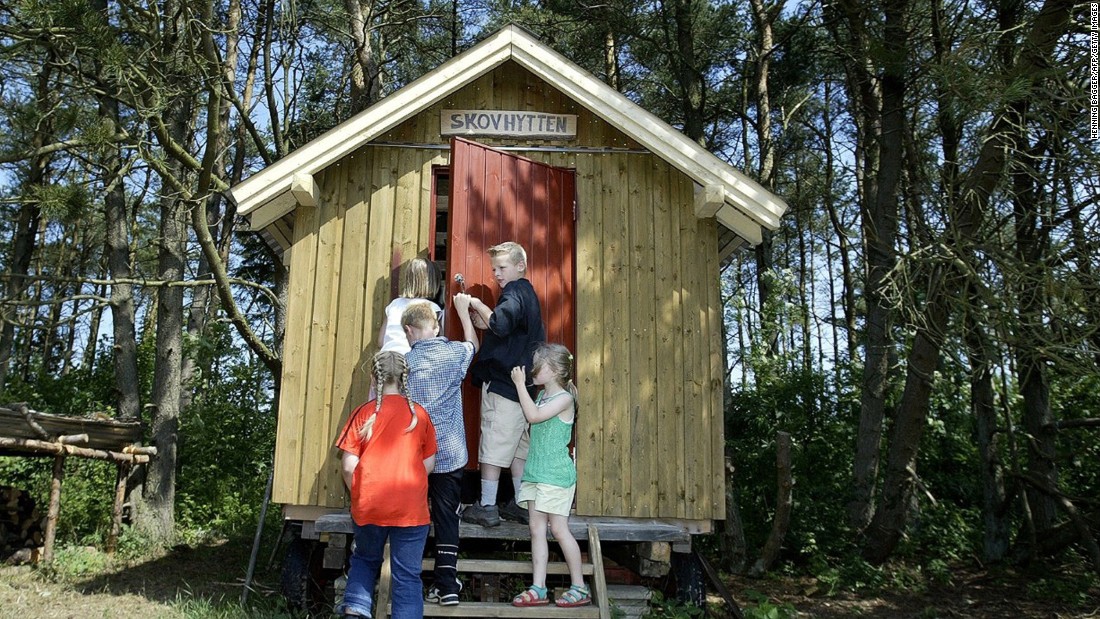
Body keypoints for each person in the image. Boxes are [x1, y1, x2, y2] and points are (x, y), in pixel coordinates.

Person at [335, 351, 437, 619]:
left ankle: (354, 612)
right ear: (406, 379)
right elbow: (428, 466)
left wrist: (357, 492)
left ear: (373, 378)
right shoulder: (420, 416)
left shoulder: (363, 413)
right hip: (410, 509)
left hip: (369, 505)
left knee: (365, 561)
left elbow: (347, 466)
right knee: (407, 576)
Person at [462, 241, 545, 527]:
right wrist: (487, 320)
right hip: (524, 390)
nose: (496, 274)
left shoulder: (513, 292)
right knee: (519, 449)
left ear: (520, 266)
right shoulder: (527, 294)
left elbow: (500, 322)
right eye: (494, 268)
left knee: (494, 447)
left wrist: (477, 305)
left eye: (502, 267)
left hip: (503, 384)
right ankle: (520, 504)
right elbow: (508, 329)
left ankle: (486, 505)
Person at [402, 296, 478, 606]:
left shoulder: (405, 364)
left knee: (415, 515)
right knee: (448, 516)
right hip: (449, 453)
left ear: (410, 331)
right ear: (435, 328)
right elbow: (472, 343)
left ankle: (408, 581)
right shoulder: (454, 354)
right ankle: (447, 585)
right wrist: (463, 314)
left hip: (415, 457)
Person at [509, 343, 590, 608]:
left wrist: (520, 385)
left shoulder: (564, 398)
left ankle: (579, 586)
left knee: (558, 529)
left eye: (536, 365)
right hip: (536, 473)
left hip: (555, 476)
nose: (531, 370)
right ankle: (539, 587)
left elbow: (533, 417)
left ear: (554, 370)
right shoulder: (543, 396)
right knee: (536, 530)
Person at [378, 257, 442, 355]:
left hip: (388, 359)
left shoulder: (395, 304)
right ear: (433, 282)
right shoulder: (432, 308)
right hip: (411, 360)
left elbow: (381, 341)